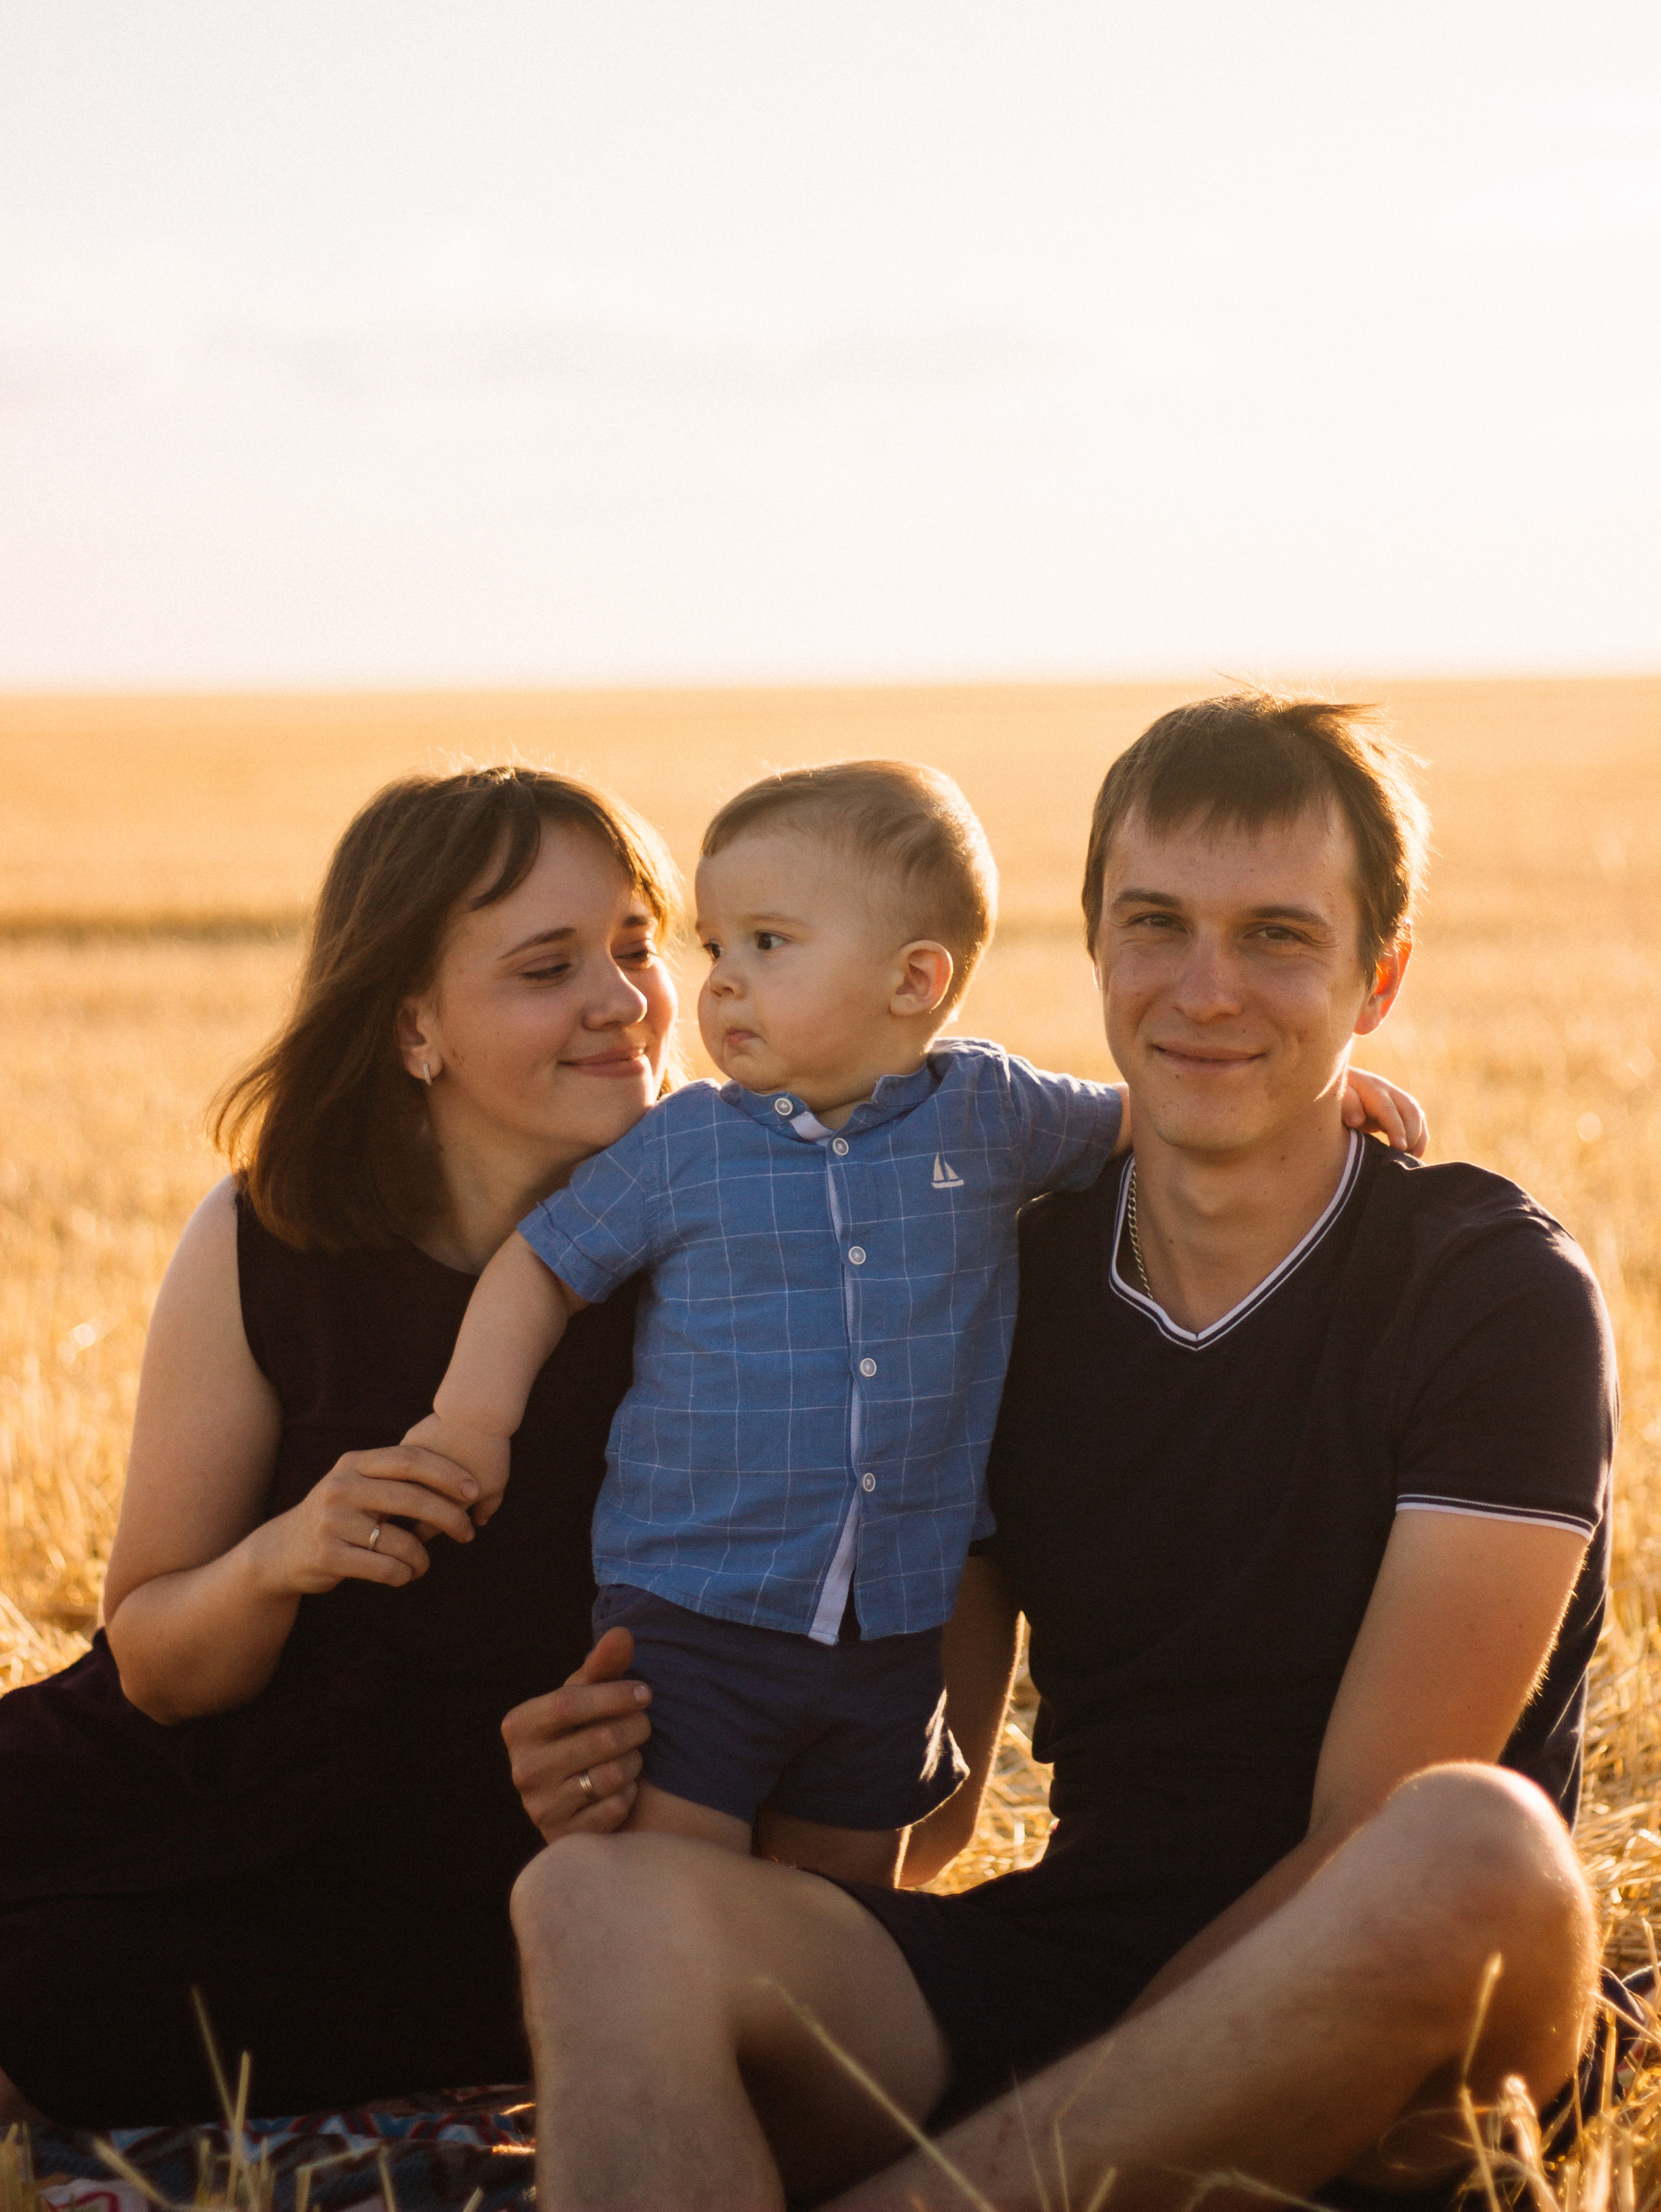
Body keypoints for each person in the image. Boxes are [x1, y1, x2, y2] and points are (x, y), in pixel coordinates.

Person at [507, 693, 1618, 2212]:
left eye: (1278, 938)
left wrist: (1082, 2110)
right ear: (1090, 946)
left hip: (1389, 2038)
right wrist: (647, 1775)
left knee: (1468, 1846)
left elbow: (1366, 1826)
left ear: (1378, 979)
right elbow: (932, 1801)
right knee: (598, 1906)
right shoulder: (999, 1282)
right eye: (1153, 923)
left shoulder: (1485, 1290)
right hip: (1056, 1983)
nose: (1205, 989)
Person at [410, 762, 1416, 1887]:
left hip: (889, 1633)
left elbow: (1154, 1118)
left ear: (915, 979)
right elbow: (540, 1266)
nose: (722, 986)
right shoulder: (683, 1145)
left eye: (770, 945)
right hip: (697, 1620)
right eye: (716, 948)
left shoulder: (994, 1110)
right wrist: (469, 1422)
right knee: (667, 1897)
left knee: (839, 1913)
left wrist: (1332, 1098)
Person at [0, 766, 675, 2128]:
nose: (621, 1000)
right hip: (205, 1772)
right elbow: (154, 1668)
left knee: (63, 1986)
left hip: (487, 1858)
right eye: (548, 966)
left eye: (637, 944)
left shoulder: (724, 1257)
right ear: (413, 1028)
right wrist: (281, 1559)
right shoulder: (269, 1238)